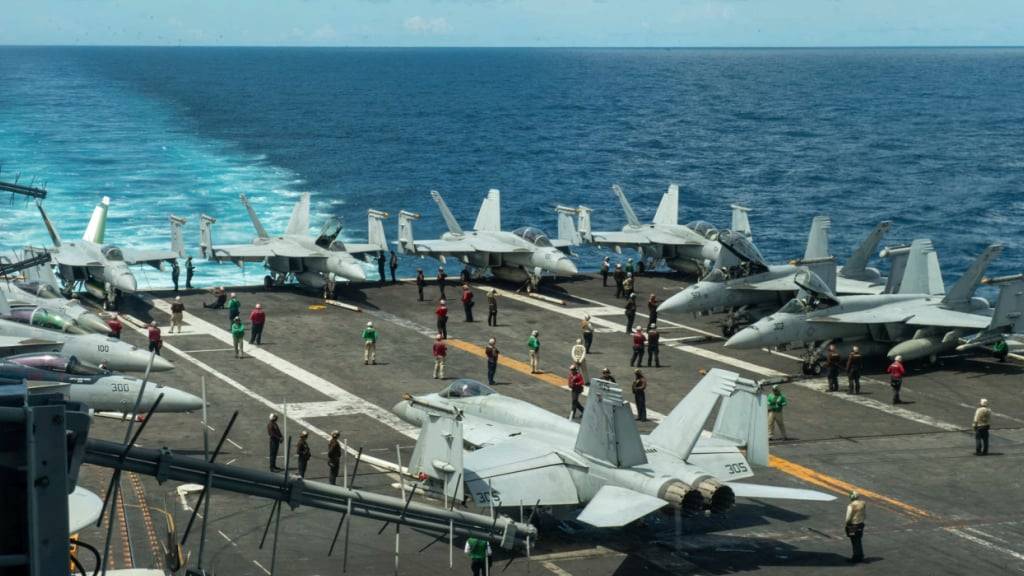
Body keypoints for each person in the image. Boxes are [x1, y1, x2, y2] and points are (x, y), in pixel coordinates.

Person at [844, 492, 866, 563]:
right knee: (858, 540)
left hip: (853, 525)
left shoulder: (851, 506)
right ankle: (860, 555)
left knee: (854, 541)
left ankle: (856, 557)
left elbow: (848, 518)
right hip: (861, 524)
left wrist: (847, 524)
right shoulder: (863, 503)